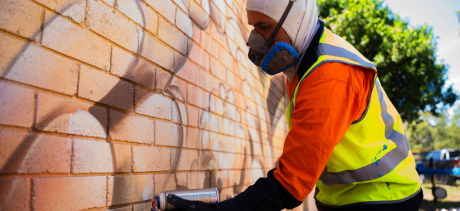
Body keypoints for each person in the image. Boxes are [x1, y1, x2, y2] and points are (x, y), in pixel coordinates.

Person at [163, 0, 423, 210]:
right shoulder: (305, 63)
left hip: (380, 199)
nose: (256, 40)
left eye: (264, 27)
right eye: (254, 27)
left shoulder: (328, 76)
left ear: (294, 21)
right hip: (350, 197)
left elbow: (290, 186)